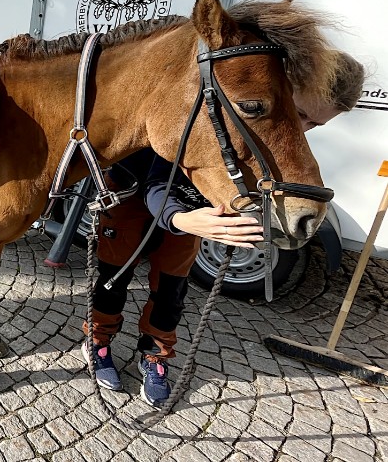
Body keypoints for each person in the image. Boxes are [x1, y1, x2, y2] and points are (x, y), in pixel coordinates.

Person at [81, 51, 365, 406]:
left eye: (314, 125)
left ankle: (155, 353)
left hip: (194, 213)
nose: (302, 129)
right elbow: (158, 181)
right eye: (300, 115)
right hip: (134, 194)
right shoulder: (209, 109)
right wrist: (184, 219)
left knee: (171, 288)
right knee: (114, 276)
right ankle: (99, 340)